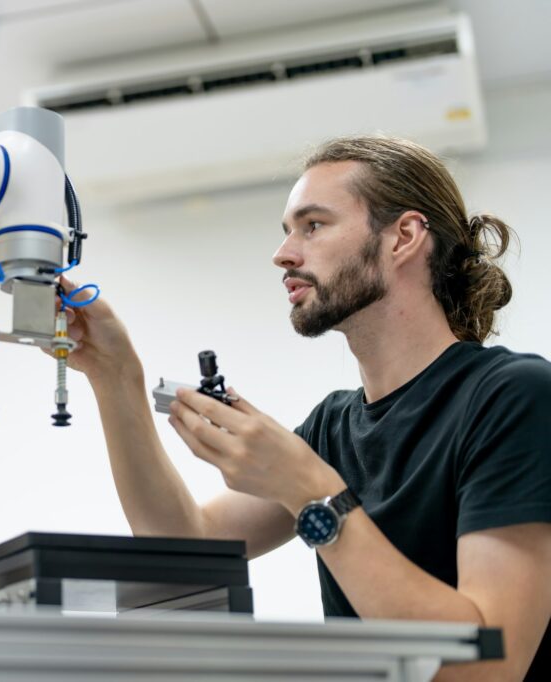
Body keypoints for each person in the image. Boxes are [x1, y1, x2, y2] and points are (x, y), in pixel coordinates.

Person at [60, 136, 550, 680]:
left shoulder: (514, 396)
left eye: (312, 226)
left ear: (404, 237)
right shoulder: (332, 427)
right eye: (288, 231)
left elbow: (489, 669)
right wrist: (116, 377)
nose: (284, 254)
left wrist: (313, 493)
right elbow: (184, 548)